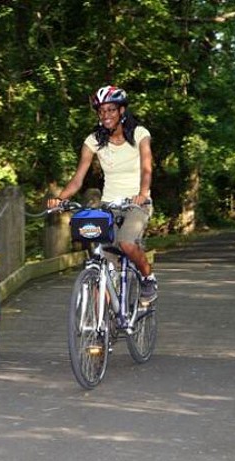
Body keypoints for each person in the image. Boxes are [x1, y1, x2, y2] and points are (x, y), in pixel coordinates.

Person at [48, 85, 158, 303]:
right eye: (102, 111)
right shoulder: (93, 141)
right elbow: (79, 177)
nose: (106, 115)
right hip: (109, 205)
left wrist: (143, 194)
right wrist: (61, 199)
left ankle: (148, 277)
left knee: (126, 242)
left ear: (121, 111)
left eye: (111, 110)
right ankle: (97, 330)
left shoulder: (139, 134)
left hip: (137, 203)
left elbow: (147, 168)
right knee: (103, 263)